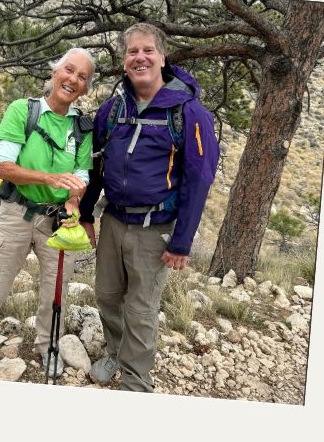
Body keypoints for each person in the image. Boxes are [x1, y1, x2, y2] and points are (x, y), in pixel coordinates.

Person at [79, 23, 219, 393]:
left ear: (162, 56)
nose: (139, 58)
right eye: (132, 52)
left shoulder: (189, 113)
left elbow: (199, 179)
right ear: (124, 61)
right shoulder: (112, 110)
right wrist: (85, 215)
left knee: (140, 310)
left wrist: (182, 242)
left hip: (156, 229)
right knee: (107, 295)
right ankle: (115, 352)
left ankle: (136, 383)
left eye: (147, 51)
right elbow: (95, 166)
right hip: (113, 221)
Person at [0, 48, 95, 378]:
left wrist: (77, 191)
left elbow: (84, 172)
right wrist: (49, 178)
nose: (73, 79)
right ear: (54, 72)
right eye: (69, 70)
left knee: (57, 287)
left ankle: (47, 346)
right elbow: (3, 166)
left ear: (85, 89)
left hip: (59, 220)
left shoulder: (82, 129)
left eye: (82, 77)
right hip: (17, 212)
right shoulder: (24, 111)